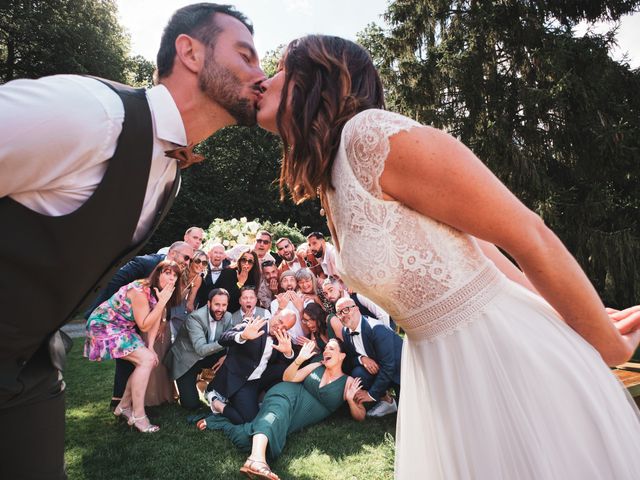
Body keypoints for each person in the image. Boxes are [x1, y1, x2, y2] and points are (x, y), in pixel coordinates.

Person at [256, 35, 640, 479]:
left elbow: (528, 235)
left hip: (505, 356)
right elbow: (478, 251)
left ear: (320, 80)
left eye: (281, 68)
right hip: (441, 372)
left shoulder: (369, 136)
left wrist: (603, 342)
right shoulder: (332, 179)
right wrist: (556, 307)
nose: (265, 81)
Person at [0, 3, 265, 476]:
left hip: (33, 366)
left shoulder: (170, 173)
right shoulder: (91, 114)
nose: (261, 75)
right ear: (190, 52)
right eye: (246, 55)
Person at [196, 339, 366, 480]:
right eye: (326, 348)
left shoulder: (348, 382)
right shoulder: (317, 364)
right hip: (286, 394)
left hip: (299, 414)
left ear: (342, 355)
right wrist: (300, 359)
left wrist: (351, 401)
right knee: (273, 416)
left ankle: (219, 420)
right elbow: (288, 377)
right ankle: (256, 461)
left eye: (332, 348)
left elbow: (361, 416)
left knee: (247, 438)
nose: (327, 351)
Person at [85, 260, 182, 432]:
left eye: (175, 275)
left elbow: (155, 321)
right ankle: (138, 415)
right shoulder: (139, 290)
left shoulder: (158, 292)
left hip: (123, 328)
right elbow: (144, 325)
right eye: (167, 272)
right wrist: (161, 303)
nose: (171, 278)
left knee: (149, 359)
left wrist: (151, 347)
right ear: (158, 273)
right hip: (104, 325)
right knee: (146, 361)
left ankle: (123, 407)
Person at [206, 309, 298, 425]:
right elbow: (224, 338)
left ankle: (259, 398)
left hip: (256, 381)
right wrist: (243, 336)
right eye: (280, 321)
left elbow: (285, 363)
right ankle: (215, 401)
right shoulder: (252, 324)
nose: (280, 328)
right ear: (275, 314)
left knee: (282, 370)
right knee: (248, 420)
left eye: (285, 327)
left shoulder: (281, 337)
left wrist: (288, 353)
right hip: (238, 378)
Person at [165, 288, 235, 410]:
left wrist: (227, 356)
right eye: (217, 304)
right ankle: (196, 385)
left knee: (234, 359)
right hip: (187, 359)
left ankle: (222, 392)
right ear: (209, 304)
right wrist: (225, 342)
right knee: (190, 405)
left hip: (210, 354)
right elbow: (201, 349)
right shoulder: (195, 318)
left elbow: (231, 344)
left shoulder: (228, 316)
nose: (220, 309)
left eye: (224, 305)